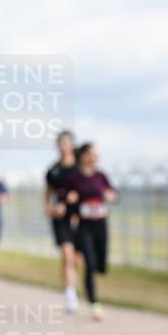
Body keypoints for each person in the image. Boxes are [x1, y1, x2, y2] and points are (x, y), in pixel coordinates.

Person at [63, 143, 117, 321]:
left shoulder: (101, 176)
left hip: (101, 225)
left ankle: (89, 290)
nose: (97, 157)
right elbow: (65, 199)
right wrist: (70, 199)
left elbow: (113, 194)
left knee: (100, 265)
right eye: (94, 154)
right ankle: (95, 304)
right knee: (90, 263)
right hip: (84, 226)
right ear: (84, 155)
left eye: (98, 154)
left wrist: (111, 196)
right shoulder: (74, 178)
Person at [45, 130, 80, 313]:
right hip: (61, 218)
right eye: (60, 144)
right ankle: (70, 294)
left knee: (76, 259)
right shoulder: (53, 170)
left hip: (81, 216)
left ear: (72, 145)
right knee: (67, 254)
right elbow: (49, 192)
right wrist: (48, 208)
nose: (63, 147)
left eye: (66, 143)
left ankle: (73, 286)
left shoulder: (81, 167)